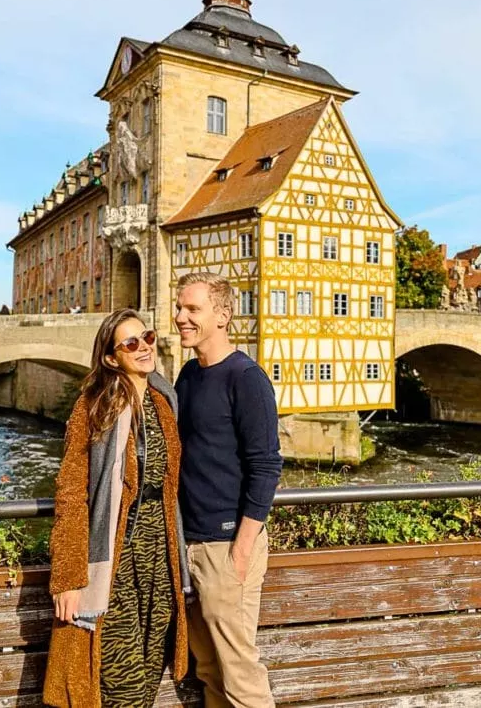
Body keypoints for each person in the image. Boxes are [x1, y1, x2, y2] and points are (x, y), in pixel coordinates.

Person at [43, 308, 190, 708]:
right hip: (115, 559)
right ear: (112, 357)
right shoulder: (94, 406)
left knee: (147, 674)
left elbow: (171, 484)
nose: (144, 347)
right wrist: (69, 577)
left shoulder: (165, 400)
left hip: (161, 557)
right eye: (131, 343)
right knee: (118, 680)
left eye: (147, 337)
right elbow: (72, 491)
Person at [174, 272, 283, 708]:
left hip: (227, 546)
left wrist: (241, 549)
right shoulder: (188, 375)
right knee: (208, 670)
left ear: (222, 316)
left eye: (192, 309)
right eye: (179, 308)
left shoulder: (246, 378)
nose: (180, 317)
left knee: (240, 676)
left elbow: (266, 466)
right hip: (192, 542)